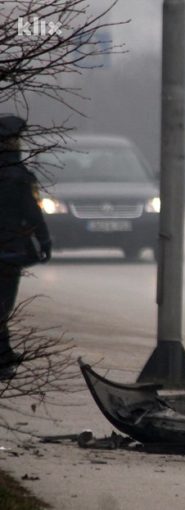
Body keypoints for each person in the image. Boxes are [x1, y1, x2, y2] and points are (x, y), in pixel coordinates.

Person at [0, 114, 52, 380]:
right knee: (3, 305)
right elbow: (33, 214)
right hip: (8, 252)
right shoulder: (20, 177)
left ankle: (5, 353)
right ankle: (3, 360)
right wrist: (44, 242)